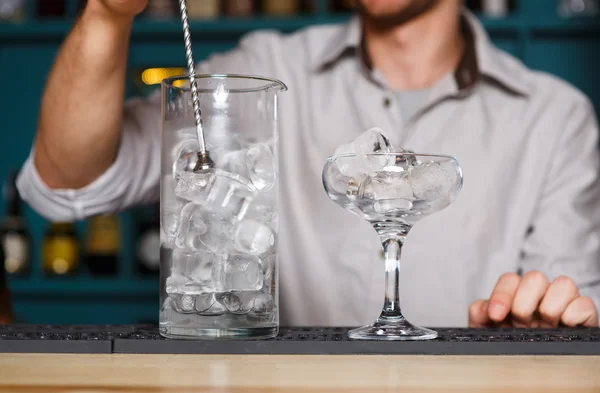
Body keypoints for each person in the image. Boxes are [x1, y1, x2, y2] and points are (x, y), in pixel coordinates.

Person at [17, 0, 600, 328]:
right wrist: (107, 13)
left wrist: (538, 323)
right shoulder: (264, 73)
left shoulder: (555, 118)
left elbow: (564, 314)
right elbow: (68, 187)